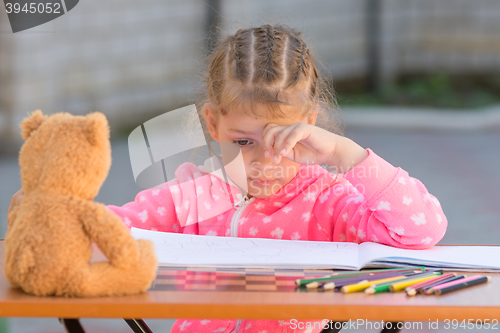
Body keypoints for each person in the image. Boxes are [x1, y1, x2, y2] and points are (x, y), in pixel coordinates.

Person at [9, 24, 448, 333]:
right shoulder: (195, 195)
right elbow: (110, 230)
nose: (261, 161)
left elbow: (420, 230)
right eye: (242, 142)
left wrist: (342, 152)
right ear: (213, 124)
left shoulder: (327, 200)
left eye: (282, 141)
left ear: (310, 126)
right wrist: (49, 223)